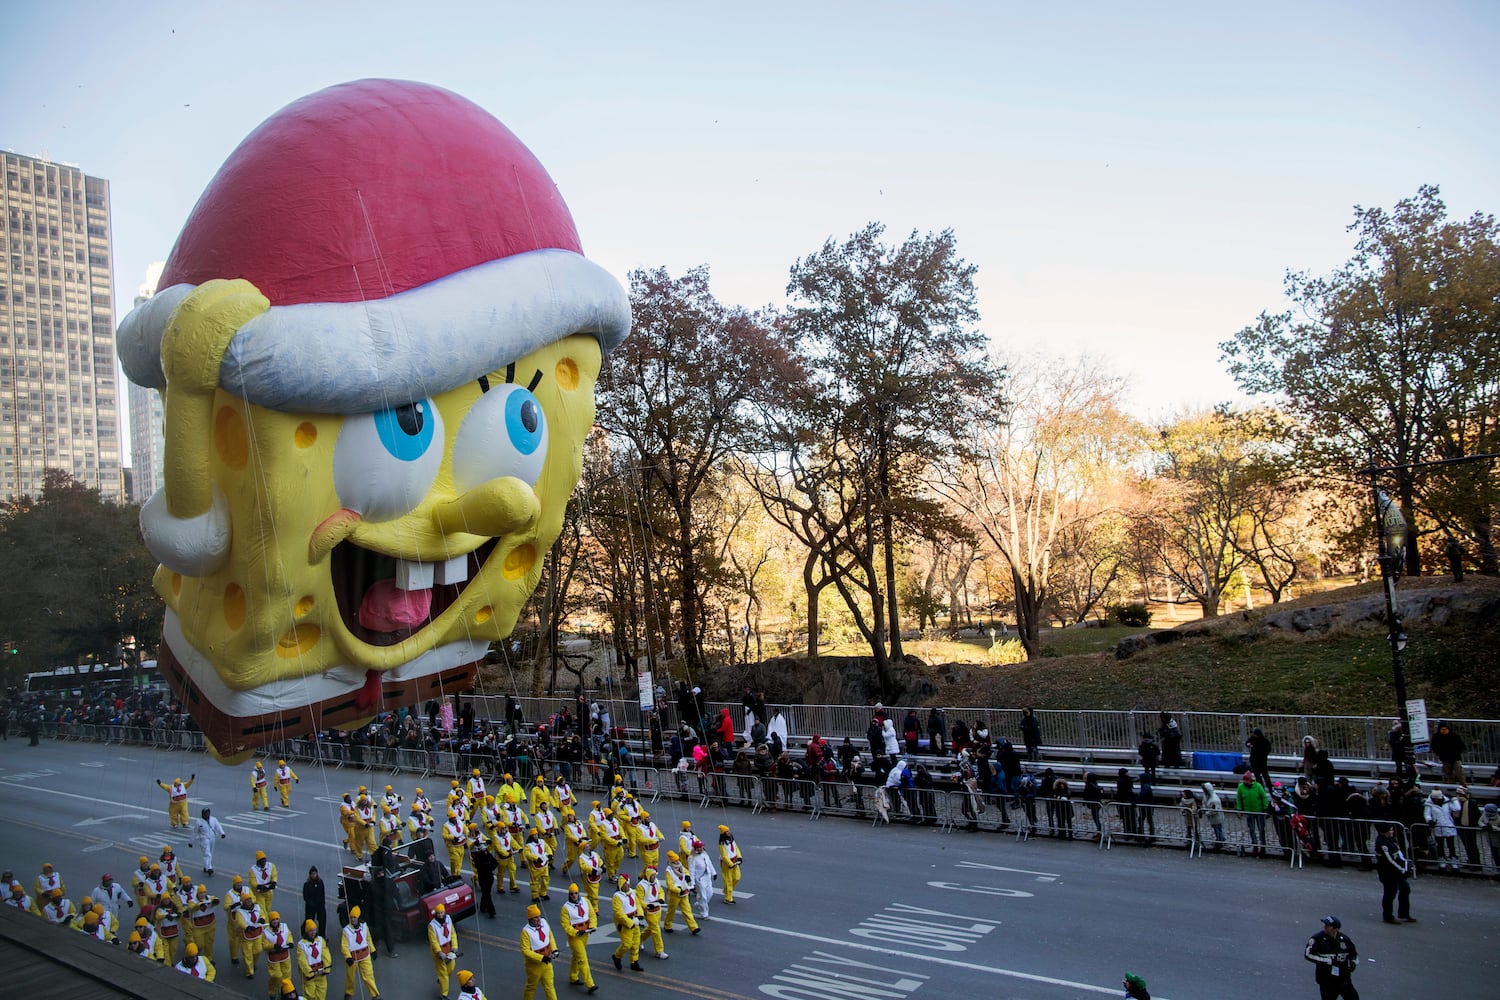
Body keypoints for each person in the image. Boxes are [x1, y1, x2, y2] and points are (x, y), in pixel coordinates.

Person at [1303, 915, 1359, 999]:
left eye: (1328, 926)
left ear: (1335, 929)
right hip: (1327, 980)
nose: (1325, 927)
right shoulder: (1317, 939)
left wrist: (1353, 963)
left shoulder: (1344, 939)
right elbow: (1308, 954)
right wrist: (1328, 961)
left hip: (1344, 978)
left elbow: (1353, 954)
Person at [560, 883, 597, 994]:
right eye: (571, 894)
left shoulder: (585, 901)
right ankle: (590, 984)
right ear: (569, 895)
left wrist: (593, 926)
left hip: (585, 933)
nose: (574, 896)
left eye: (575, 893)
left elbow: (592, 915)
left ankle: (573, 976)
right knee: (582, 958)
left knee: (577, 956)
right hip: (574, 937)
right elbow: (565, 925)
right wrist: (576, 932)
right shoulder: (566, 908)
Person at [1374, 821, 1414, 924]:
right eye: (1390, 830)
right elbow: (1390, 860)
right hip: (1388, 873)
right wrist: (1401, 869)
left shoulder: (1390, 839)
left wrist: (1405, 864)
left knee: (1405, 889)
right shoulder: (1382, 843)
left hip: (1396, 872)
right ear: (1384, 832)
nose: (1392, 831)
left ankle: (1404, 913)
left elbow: (1398, 854)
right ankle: (1388, 916)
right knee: (1390, 894)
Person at [340, 906, 380, 1000]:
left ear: (358, 917)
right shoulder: (346, 930)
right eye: (351, 917)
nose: (353, 919)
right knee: (351, 978)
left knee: (369, 976)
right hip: (352, 957)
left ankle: (375, 995)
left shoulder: (364, 927)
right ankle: (348, 993)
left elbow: (368, 939)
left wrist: (373, 950)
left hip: (365, 955)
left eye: (354, 917)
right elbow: (344, 946)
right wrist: (347, 957)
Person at [609, 874, 644, 972]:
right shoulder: (617, 897)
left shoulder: (632, 892)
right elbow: (618, 913)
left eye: (628, 883)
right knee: (627, 944)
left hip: (634, 920)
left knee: (636, 942)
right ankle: (617, 956)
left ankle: (634, 962)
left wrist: (640, 914)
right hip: (625, 923)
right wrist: (630, 922)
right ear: (621, 884)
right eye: (625, 883)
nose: (628, 885)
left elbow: (637, 904)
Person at [429, 903, 461, 1000]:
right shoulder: (432, 926)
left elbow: (453, 933)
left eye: (442, 912)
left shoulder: (448, 919)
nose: (440, 915)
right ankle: (444, 994)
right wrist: (439, 952)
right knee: (443, 974)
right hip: (440, 951)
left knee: (451, 967)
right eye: (438, 913)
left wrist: (454, 946)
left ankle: (442, 980)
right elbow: (433, 941)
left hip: (449, 948)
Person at [297, 919, 333, 1000]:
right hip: (309, 974)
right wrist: (309, 973)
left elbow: (326, 954)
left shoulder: (320, 940)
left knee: (321, 994)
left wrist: (327, 968)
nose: (313, 933)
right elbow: (302, 960)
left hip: (321, 972)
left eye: (314, 930)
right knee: (310, 995)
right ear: (306, 932)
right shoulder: (301, 944)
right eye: (310, 931)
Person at [1237, 771, 1270, 856]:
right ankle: (1254, 844)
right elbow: (1239, 799)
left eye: (1246, 781)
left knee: (1261, 829)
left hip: (1259, 811)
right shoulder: (1241, 787)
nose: (1245, 782)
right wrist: (1239, 809)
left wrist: (1266, 809)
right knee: (1251, 829)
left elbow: (1264, 797)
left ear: (1251, 780)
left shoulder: (1258, 786)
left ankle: (1263, 846)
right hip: (1249, 812)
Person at [1424, 788, 1459, 869]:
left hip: (1448, 825)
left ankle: (1453, 858)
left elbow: (1456, 808)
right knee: (1440, 844)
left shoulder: (1447, 802)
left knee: (1451, 844)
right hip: (1438, 826)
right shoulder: (1429, 804)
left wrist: (1454, 799)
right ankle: (1442, 859)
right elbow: (1427, 814)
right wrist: (1429, 821)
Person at [265, 911, 296, 998]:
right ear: (270, 921)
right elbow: (264, 945)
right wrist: (273, 946)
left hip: (284, 955)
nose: (275, 921)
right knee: (276, 976)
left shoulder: (284, 927)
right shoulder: (266, 932)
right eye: (273, 920)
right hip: (274, 957)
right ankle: (272, 991)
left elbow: (289, 935)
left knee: (286, 977)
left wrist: (290, 942)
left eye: (276, 919)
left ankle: (283, 994)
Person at [189, 807, 228, 875]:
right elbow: (195, 832)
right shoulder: (199, 822)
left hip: (212, 838)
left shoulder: (213, 819)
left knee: (210, 853)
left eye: (208, 813)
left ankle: (206, 866)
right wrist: (191, 842)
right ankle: (209, 868)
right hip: (204, 839)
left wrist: (222, 833)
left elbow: (218, 826)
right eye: (205, 813)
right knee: (207, 854)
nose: (206, 814)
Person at [303, 867, 327, 940]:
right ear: (310, 875)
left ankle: (322, 937)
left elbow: (323, 893)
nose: (314, 875)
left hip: (320, 905)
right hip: (310, 907)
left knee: (322, 921)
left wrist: (321, 903)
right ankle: (308, 936)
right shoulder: (307, 884)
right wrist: (311, 904)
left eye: (315, 873)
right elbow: (305, 896)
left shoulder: (320, 882)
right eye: (312, 874)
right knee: (309, 922)